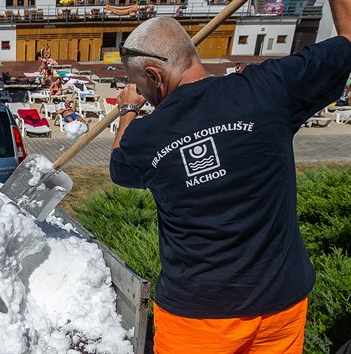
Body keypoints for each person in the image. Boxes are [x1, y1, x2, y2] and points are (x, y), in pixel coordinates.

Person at [110, 14, 351, 353]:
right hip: (279, 305)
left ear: (154, 75)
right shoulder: (269, 87)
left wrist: (128, 111)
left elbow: (119, 167)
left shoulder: (145, 137)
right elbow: (347, 41)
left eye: (141, 85)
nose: (144, 95)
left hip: (197, 320)